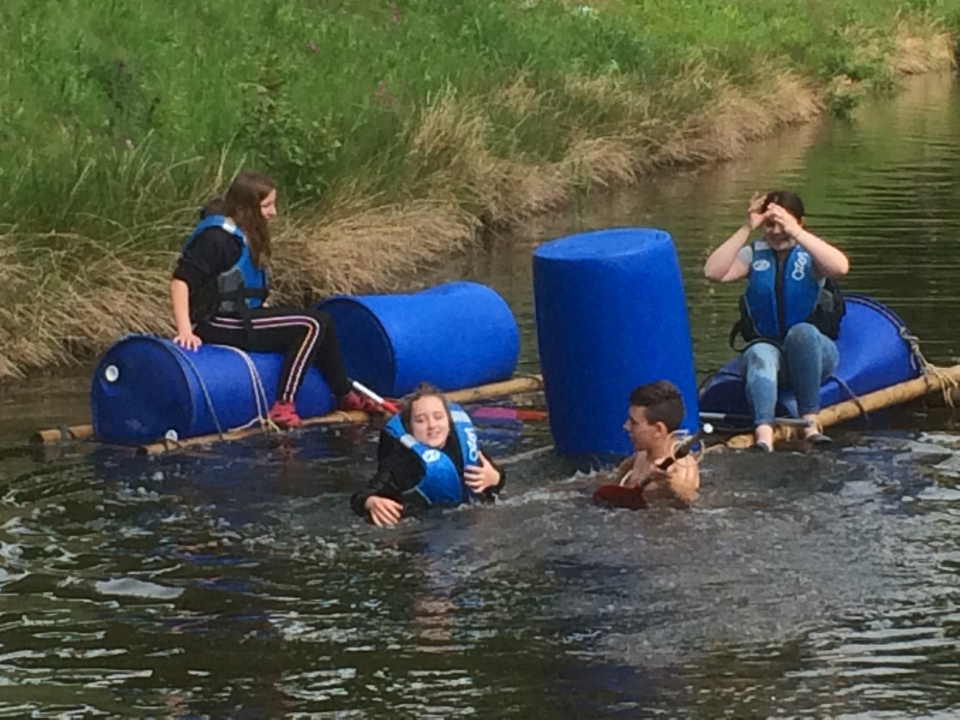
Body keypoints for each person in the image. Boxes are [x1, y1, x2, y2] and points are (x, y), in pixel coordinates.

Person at [169, 170, 382, 429]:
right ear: (247, 207)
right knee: (312, 324)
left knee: (322, 322)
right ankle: (284, 404)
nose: (273, 212)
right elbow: (180, 281)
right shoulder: (217, 239)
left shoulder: (245, 234)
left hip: (243, 318)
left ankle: (343, 393)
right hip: (218, 323)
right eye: (267, 205)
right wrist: (184, 331)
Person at [703, 190, 849, 451]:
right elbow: (713, 272)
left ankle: (810, 424)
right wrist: (748, 227)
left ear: (799, 222)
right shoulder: (754, 254)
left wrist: (796, 232)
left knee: (801, 333)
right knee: (759, 351)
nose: (776, 231)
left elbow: (840, 267)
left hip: (813, 352)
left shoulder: (811, 254)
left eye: (782, 224)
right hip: (771, 356)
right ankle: (764, 435)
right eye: (770, 224)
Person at [351, 384, 505, 527]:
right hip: (422, 528)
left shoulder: (467, 448)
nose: (432, 425)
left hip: (470, 521)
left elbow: (498, 477)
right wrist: (370, 502)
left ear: (449, 423)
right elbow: (360, 497)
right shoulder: (400, 463)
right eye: (420, 421)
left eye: (438, 417)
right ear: (410, 429)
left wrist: (495, 478)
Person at [614, 380, 700, 507]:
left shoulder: (681, 468)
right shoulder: (642, 453)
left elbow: (687, 498)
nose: (626, 426)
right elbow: (621, 473)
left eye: (634, 422)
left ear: (658, 429)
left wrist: (669, 485)